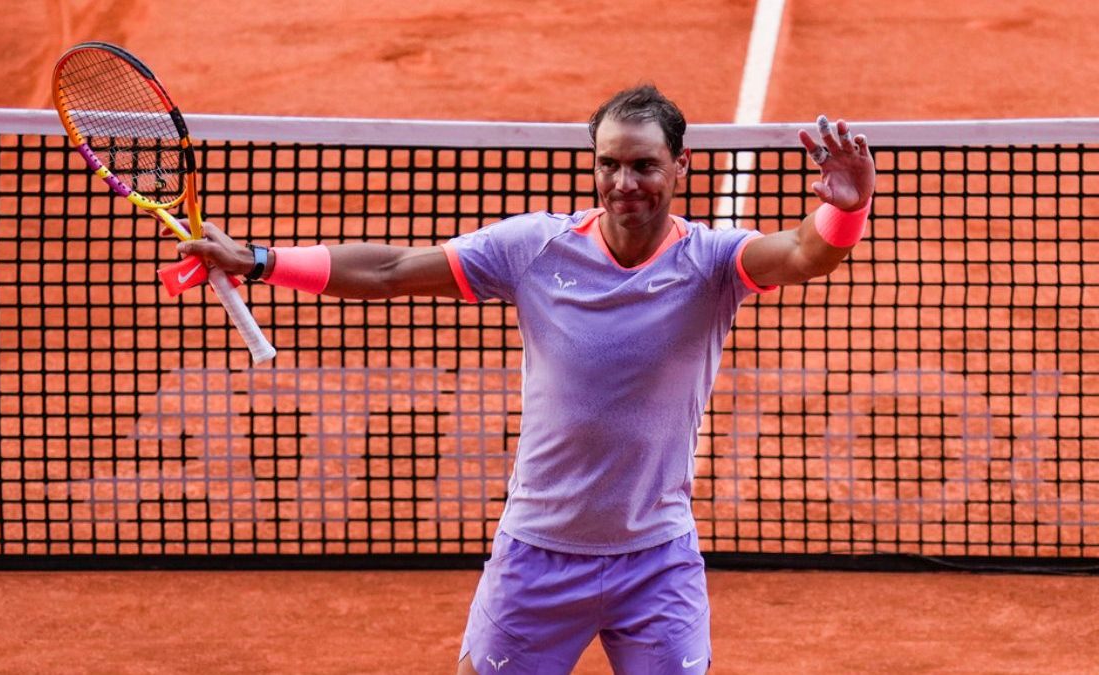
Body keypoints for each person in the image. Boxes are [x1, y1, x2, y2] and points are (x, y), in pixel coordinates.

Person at [178, 85, 876, 675]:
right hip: (537, 555)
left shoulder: (714, 262)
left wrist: (845, 207)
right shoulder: (533, 248)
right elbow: (392, 271)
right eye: (609, 165)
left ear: (681, 166)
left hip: (656, 559)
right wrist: (263, 260)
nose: (624, 183)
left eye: (644, 165)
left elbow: (806, 253)